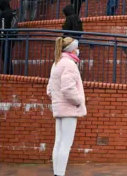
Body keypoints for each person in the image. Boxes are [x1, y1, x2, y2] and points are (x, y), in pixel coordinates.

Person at [46, 37, 87, 176]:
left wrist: (57, 100)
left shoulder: (56, 63)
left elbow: (49, 89)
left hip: (59, 108)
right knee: (65, 144)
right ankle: (60, 174)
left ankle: (57, 173)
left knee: (58, 143)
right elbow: (68, 88)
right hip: (69, 109)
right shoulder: (69, 64)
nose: (78, 50)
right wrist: (78, 101)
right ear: (72, 49)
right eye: (77, 47)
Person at [0, 0, 17, 74]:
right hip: (13, 37)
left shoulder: (4, 14)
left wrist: (1, 39)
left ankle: (9, 74)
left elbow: (3, 28)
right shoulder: (13, 12)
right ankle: (10, 73)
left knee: (5, 57)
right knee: (8, 56)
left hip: (5, 38)